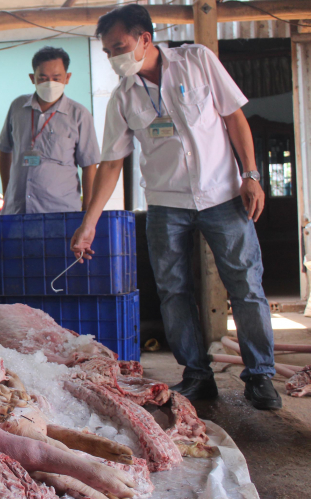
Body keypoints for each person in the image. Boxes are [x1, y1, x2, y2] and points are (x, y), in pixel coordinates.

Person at [70, 5, 280, 409]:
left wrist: (251, 174)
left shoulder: (197, 60)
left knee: (246, 285)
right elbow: (112, 163)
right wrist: (89, 223)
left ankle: (260, 376)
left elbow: (234, 118)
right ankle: (197, 376)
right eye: (108, 51)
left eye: (120, 47)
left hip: (222, 195)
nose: (114, 57)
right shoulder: (123, 97)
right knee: (173, 291)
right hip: (166, 205)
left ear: (144, 39)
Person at [0, 46, 100, 214]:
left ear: (67, 78)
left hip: (61, 211)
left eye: (56, 78)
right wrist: (9, 193)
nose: (50, 84)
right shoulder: (17, 107)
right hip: (17, 210)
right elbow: (4, 150)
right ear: (32, 78)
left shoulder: (79, 114)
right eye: (43, 78)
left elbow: (89, 165)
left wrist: (88, 210)